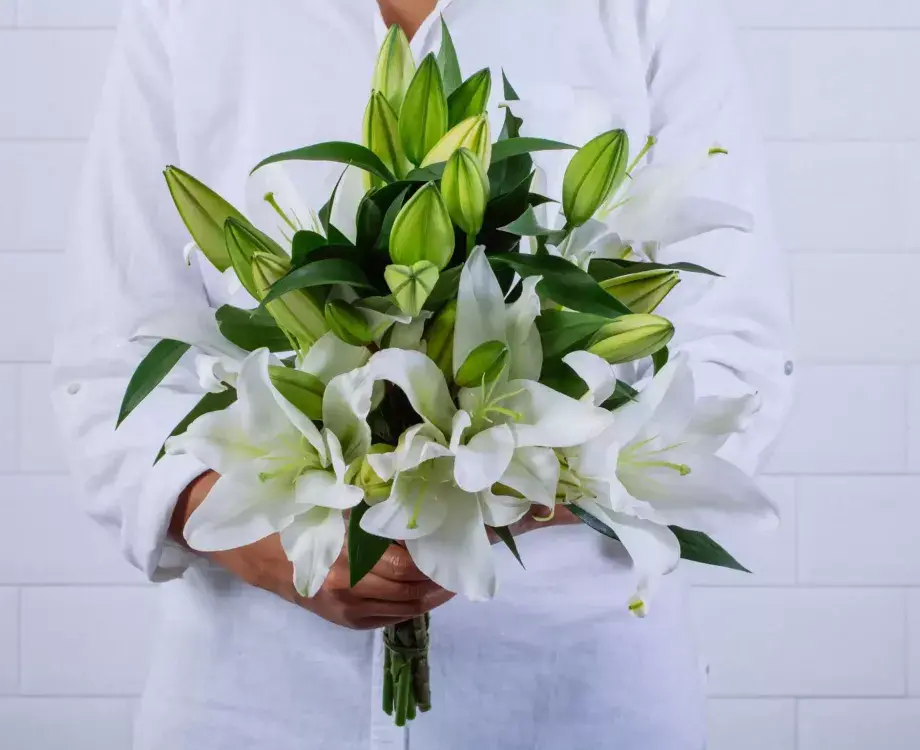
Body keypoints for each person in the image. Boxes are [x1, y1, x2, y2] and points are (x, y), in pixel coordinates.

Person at [51, 1, 793, 748]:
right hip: (255, 695)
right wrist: (252, 537)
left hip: (577, 692)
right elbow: (109, 362)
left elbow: (738, 353)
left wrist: (505, 489)